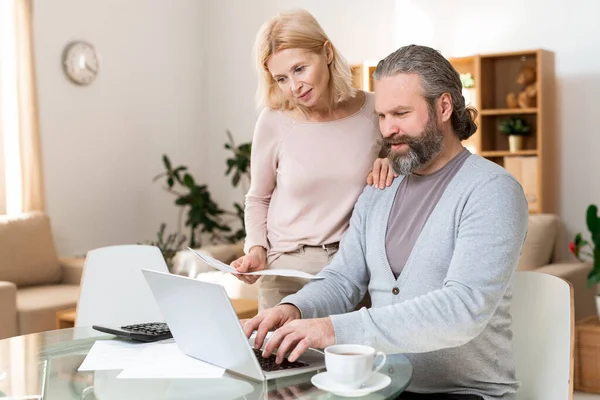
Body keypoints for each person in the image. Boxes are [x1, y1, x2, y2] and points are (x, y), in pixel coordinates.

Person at [242, 44, 529, 400]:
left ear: (443, 107)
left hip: (465, 392)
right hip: (382, 385)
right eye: (381, 116)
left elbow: (463, 308)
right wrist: (294, 309)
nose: (388, 129)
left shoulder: (492, 190)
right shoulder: (380, 189)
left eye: (401, 113)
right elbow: (343, 278)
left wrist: (331, 329)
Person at [231, 9, 395, 311]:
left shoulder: (374, 110)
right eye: (281, 78)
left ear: (327, 53)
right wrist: (256, 249)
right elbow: (258, 198)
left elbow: (410, 175)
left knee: (353, 358)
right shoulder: (273, 121)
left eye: (299, 69)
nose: (294, 87)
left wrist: (395, 164)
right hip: (286, 274)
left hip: (354, 269)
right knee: (280, 359)